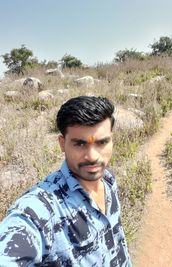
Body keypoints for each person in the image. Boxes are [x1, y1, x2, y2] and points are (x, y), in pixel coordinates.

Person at [0, 96, 132, 266]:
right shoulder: (41, 209)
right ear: (62, 144)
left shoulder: (109, 180)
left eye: (102, 142)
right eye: (79, 144)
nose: (92, 156)